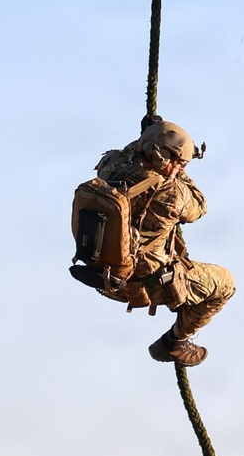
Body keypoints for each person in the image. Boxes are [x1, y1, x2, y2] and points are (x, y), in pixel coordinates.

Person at [94, 119, 235, 367]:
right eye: (179, 163)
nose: (180, 169)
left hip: (105, 277)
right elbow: (199, 207)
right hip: (147, 285)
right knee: (225, 285)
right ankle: (174, 342)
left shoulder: (111, 164)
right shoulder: (171, 194)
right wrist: (181, 172)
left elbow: (131, 151)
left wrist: (148, 136)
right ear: (164, 158)